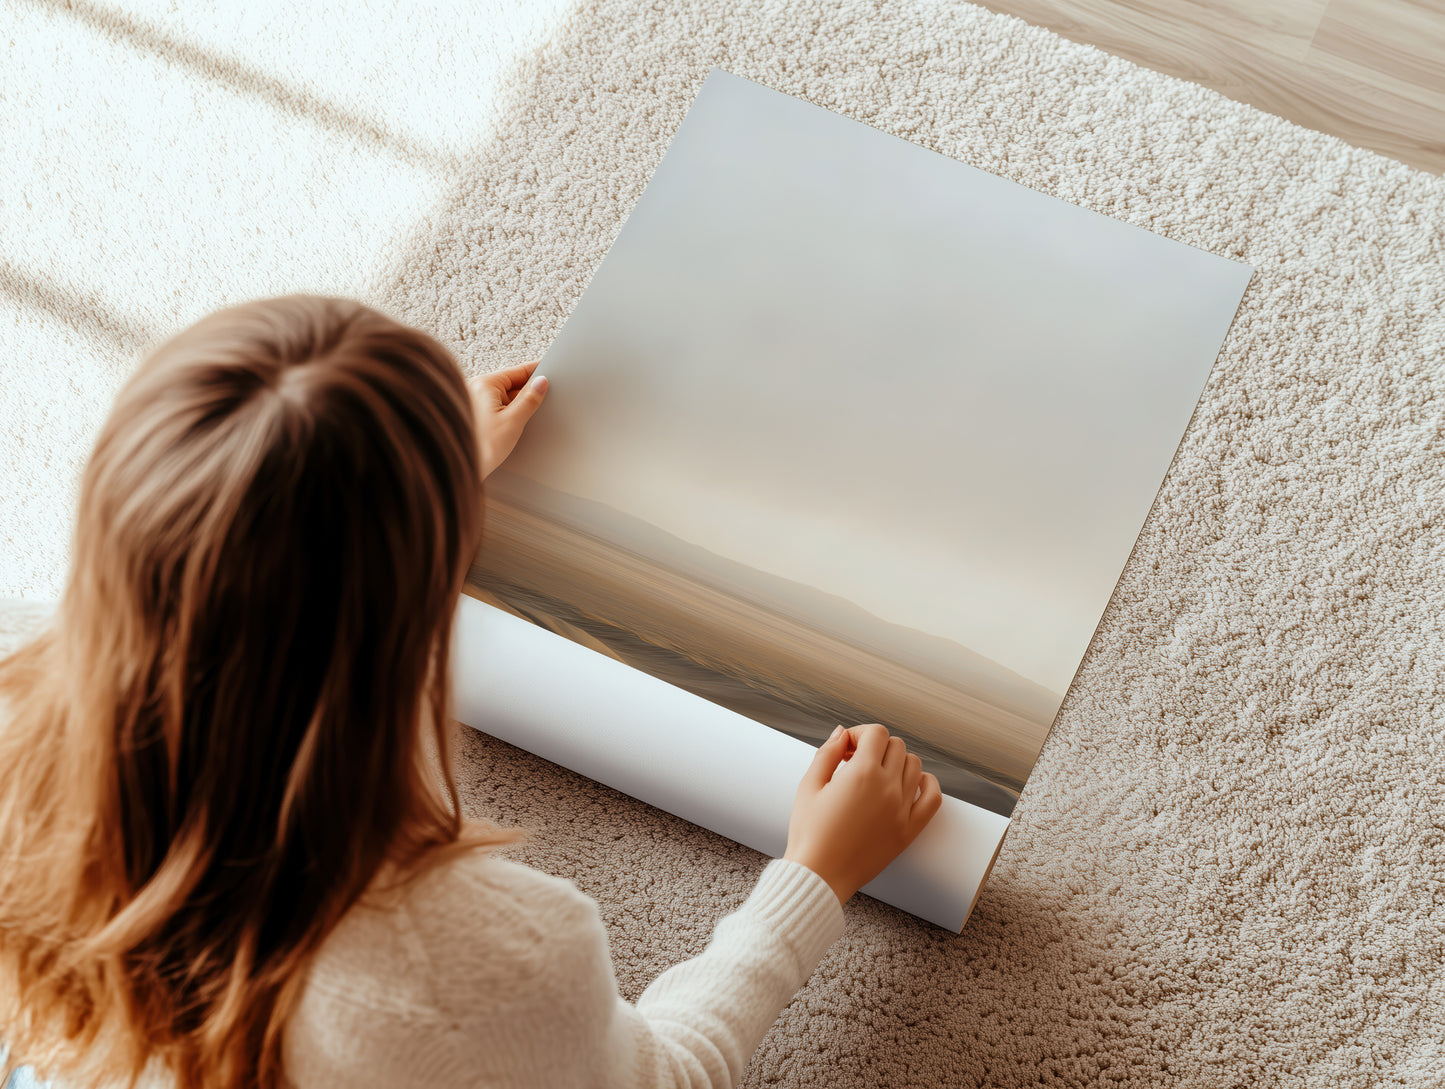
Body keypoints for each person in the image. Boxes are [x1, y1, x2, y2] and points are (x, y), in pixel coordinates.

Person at [0, 295, 943, 1089]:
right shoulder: (472, 965)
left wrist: (419, 482)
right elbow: (665, 1075)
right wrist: (814, 876)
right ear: (407, 614)